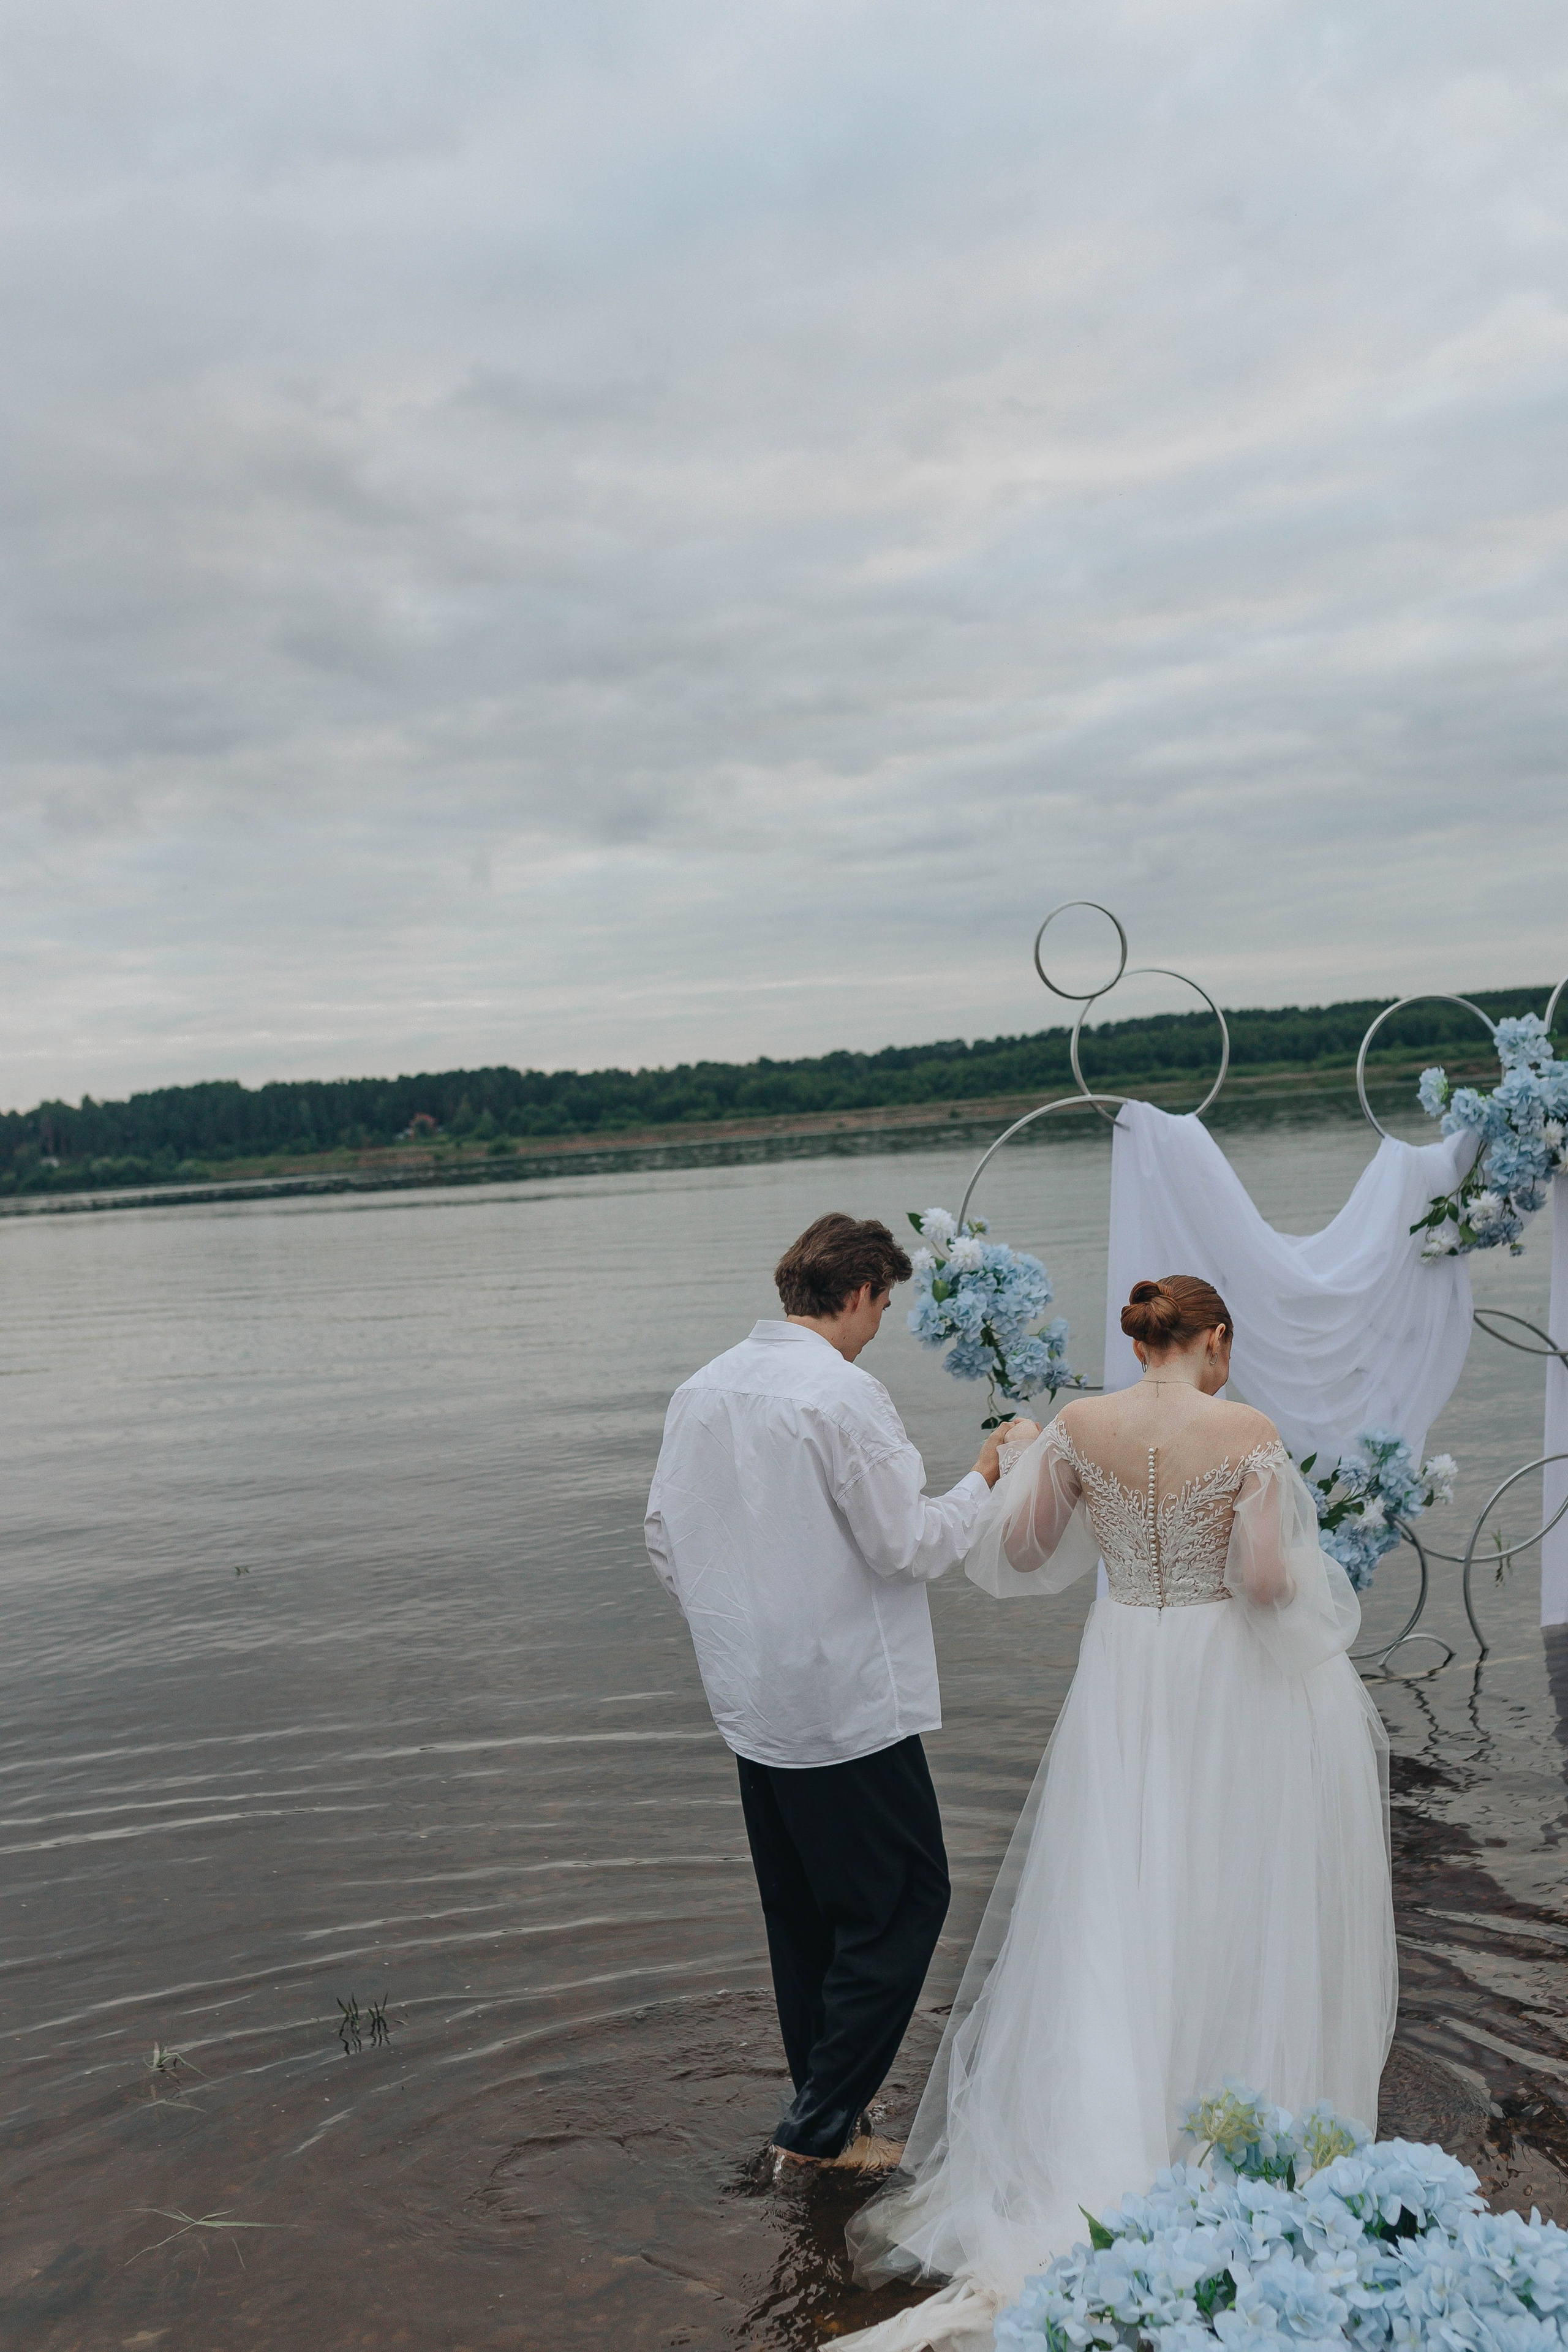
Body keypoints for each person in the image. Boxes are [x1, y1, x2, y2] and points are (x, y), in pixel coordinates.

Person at [839, 1274, 1396, 2350]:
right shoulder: (1246, 1429)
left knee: (1113, 1900)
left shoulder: (1083, 1425)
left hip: (1122, 1672)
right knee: (1220, 1889)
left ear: (1144, 1341)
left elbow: (1032, 1548)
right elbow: (1273, 1586)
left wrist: (1031, 1445)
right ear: (1215, 1339)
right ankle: (1217, 2122)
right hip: (1218, 1680)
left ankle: (1099, 2141)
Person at [644, 1212, 1031, 2171]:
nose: (880, 1325)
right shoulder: (843, 1397)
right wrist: (984, 1475)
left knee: (805, 1915)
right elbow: (910, 1544)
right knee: (906, 1901)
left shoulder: (701, 1389)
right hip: (844, 1703)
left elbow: (663, 1537)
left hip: (751, 1696)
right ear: (857, 1293)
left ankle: (832, 2115)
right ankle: (817, 2133)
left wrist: (740, 1623)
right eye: (884, 1306)